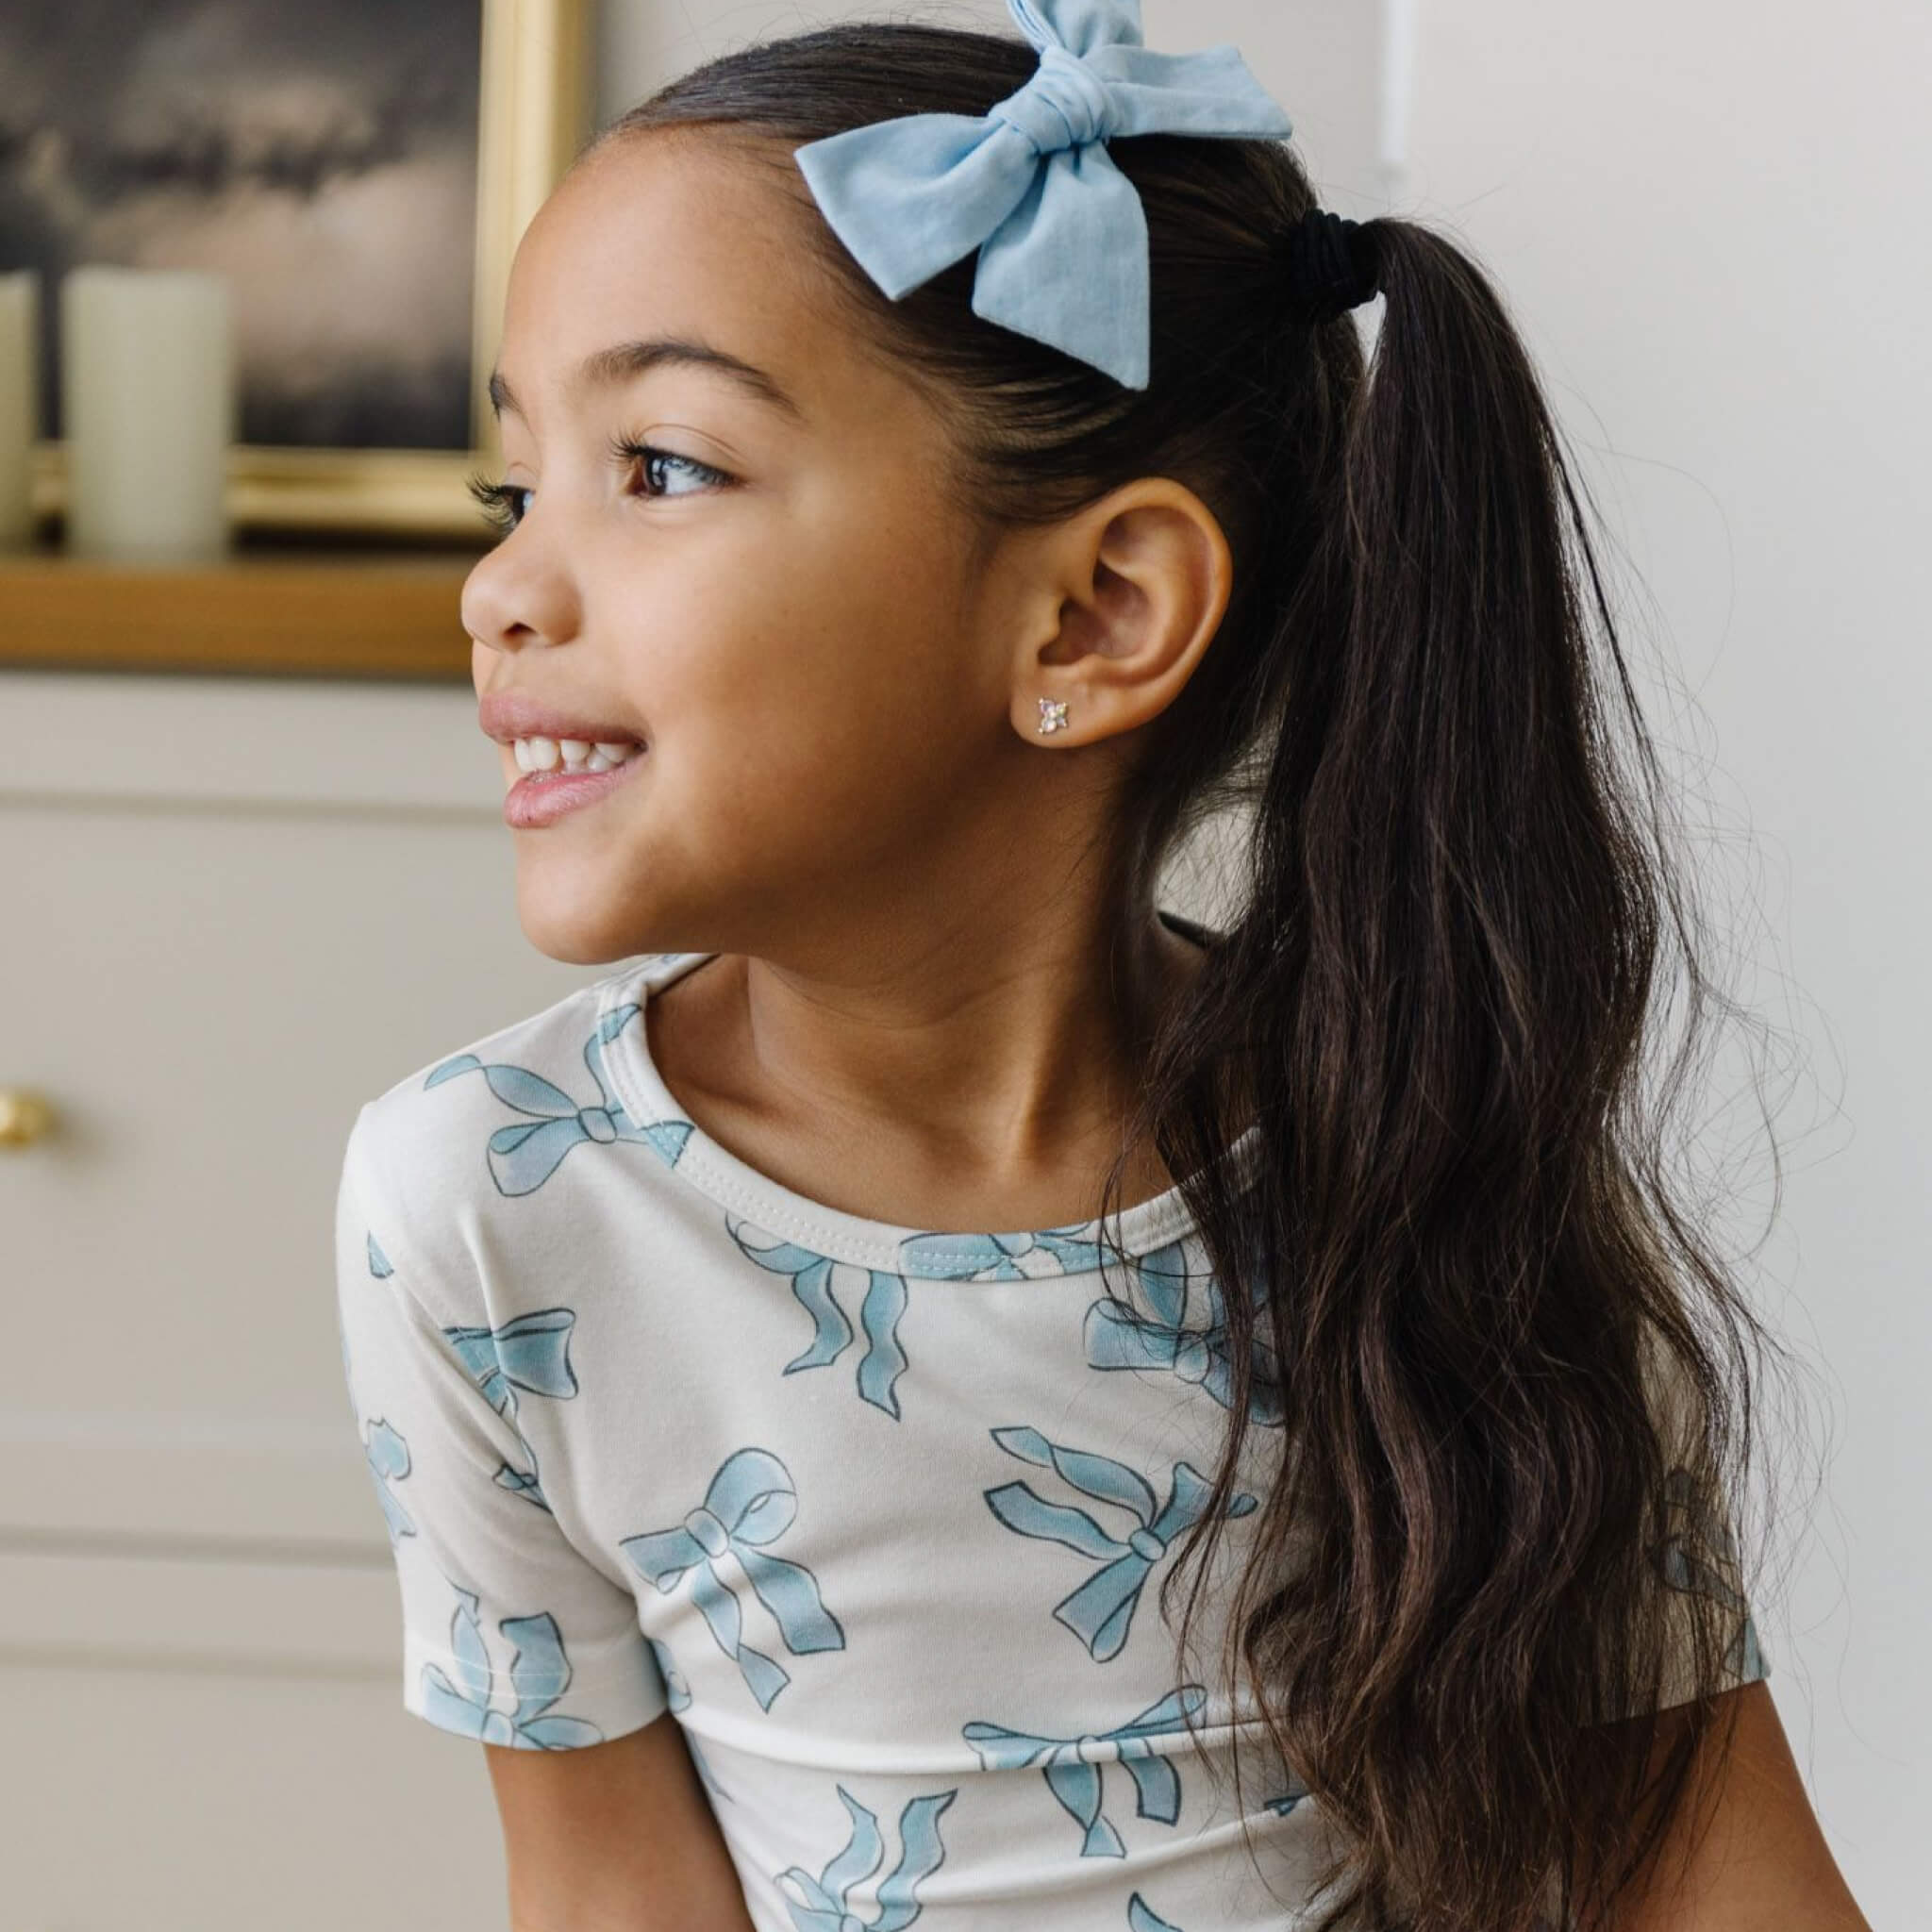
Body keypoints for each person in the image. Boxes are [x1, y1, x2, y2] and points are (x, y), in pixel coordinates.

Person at [333, 3, 1872, 1927]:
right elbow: (605, 1893)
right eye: (516, 486)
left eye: (657, 466)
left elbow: (1715, 1873)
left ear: (1096, 613)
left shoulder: (1426, 1147)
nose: (499, 588)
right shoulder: (486, 1204)